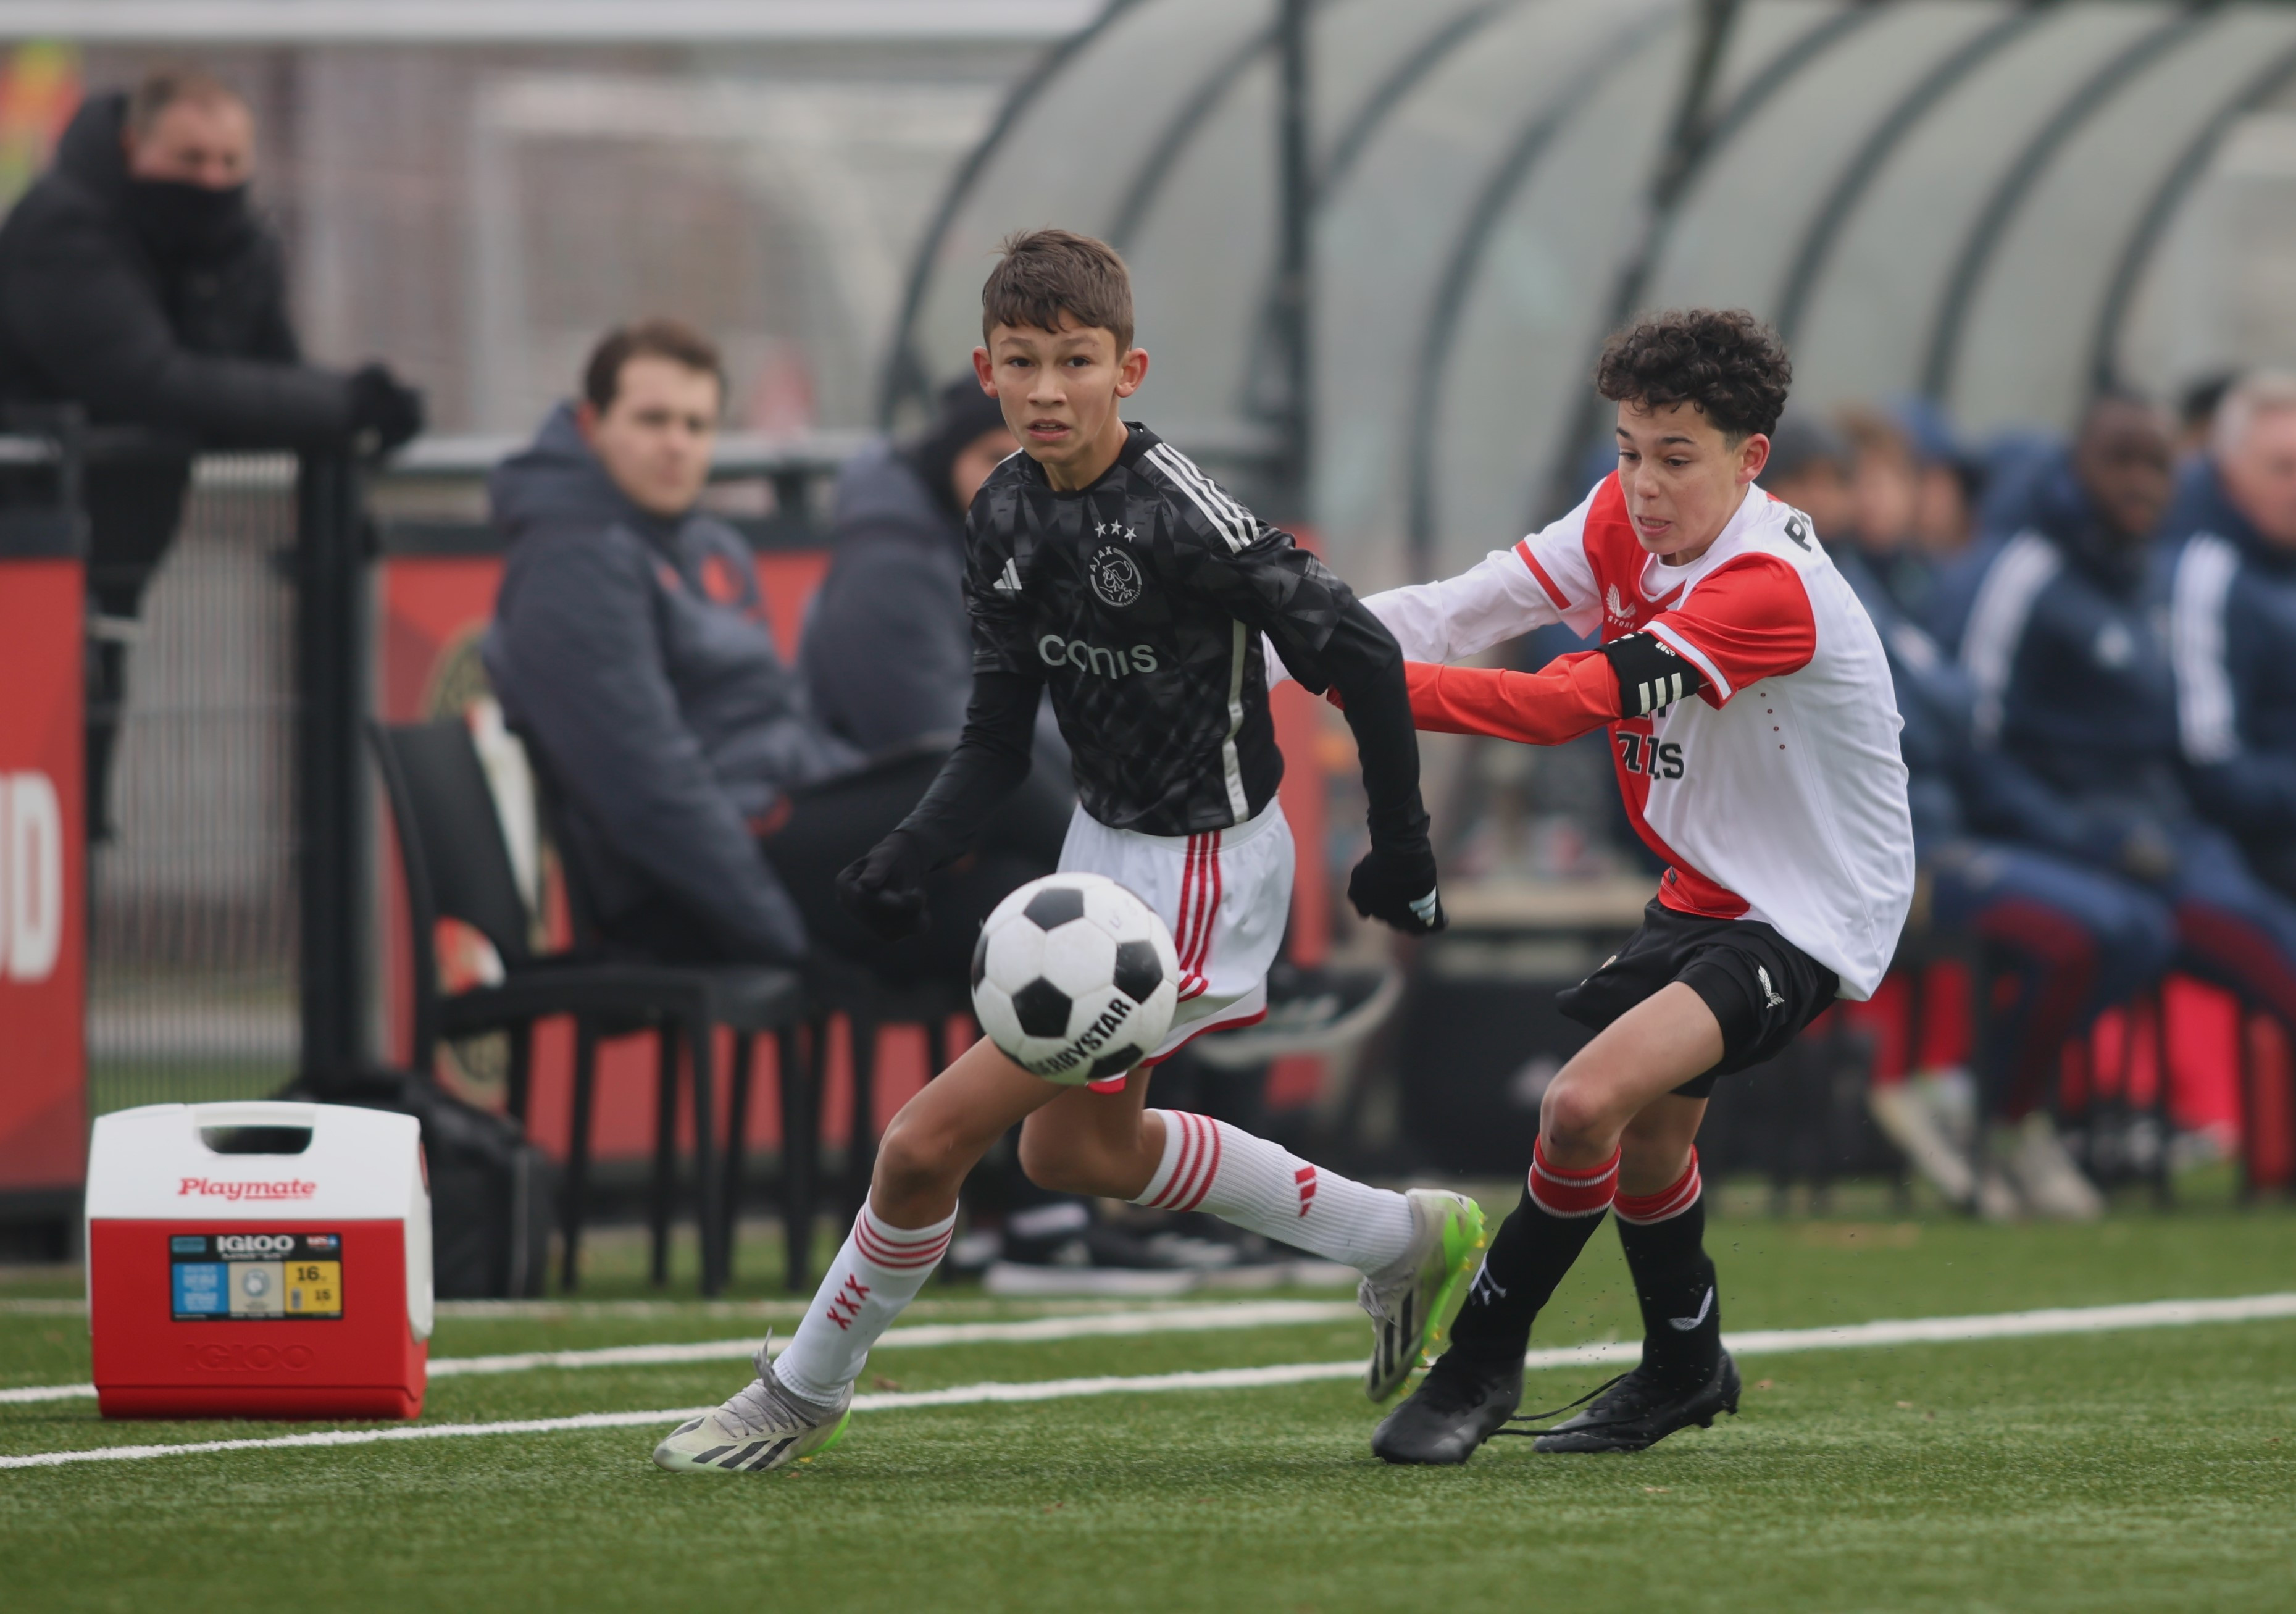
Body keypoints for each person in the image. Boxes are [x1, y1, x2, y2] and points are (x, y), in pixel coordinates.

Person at [651, 228, 1485, 1474]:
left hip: (1199, 869)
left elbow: (1359, 653)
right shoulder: (1000, 510)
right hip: (1097, 849)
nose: (1046, 389)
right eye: (1021, 361)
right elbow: (994, 736)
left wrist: (1398, 842)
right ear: (983, 369)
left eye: (1075, 361)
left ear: (1126, 371)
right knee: (1072, 1151)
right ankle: (1399, 1237)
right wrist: (912, 846)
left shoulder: (1185, 514)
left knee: (923, 1140)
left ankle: (800, 1390)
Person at [1357, 310, 1914, 1463]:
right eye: (1626, 450)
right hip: (1704, 885)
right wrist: (1290, 638)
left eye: (1674, 457)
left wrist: (1349, 684)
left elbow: (1557, 704)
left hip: (1809, 909)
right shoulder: (1619, 517)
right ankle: (1683, 1365)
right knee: (1652, 1141)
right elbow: (1461, 607)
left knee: (1579, 1104)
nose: (1642, 485)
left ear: (1748, 459)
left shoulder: (1767, 584)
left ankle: (1476, 1367)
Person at [483, 318, 1045, 988]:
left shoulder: (701, 544)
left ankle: (1148, 989)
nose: (676, 444)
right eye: (652, 420)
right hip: (702, 894)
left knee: (1013, 904)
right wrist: (783, 942)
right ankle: (1162, 924)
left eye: (696, 425)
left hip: (782, 835)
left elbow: (768, 732)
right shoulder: (570, 566)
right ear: (591, 423)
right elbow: (649, 794)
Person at [0, 67, 424, 837]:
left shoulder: (237, 243)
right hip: (24, 560)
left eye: (231, 162)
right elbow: (152, 381)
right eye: (190, 159)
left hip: (112, 569)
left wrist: (348, 409)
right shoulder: (60, 231)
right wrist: (344, 405)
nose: (213, 181)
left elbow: (264, 381)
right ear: (134, 145)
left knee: (70, 812)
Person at [1769, 417, 2174, 1219]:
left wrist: (2070, 830)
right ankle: (1979, 1102)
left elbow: (1950, 720)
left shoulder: (1869, 580)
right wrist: (1939, 719)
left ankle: (1994, 1106)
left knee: (2138, 925)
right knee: (2078, 934)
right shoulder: (1790, 585)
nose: (1844, 500)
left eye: (1846, 481)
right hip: (1876, 851)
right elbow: (1904, 724)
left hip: (1936, 831)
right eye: (1818, 482)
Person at [1941, 392, 2296, 1100]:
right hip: (2071, 843)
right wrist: (2076, 835)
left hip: (2164, 841)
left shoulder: (2140, 580)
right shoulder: (2025, 573)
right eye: (2119, 461)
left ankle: (2009, 1112)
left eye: (2156, 466)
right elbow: (1967, 740)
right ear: (2075, 464)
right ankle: (1978, 1104)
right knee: (2140, 935)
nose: (2139, 482)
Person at [2165, 372, 2296, 900]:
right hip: (2252, 850)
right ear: (2229, 470)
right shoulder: (2204, 577)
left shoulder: (2279, 563)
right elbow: (2212, 768)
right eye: (2282, 469)